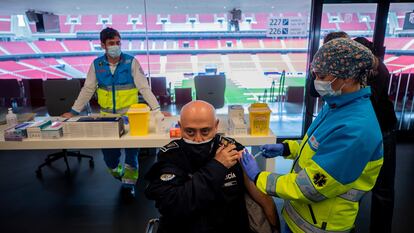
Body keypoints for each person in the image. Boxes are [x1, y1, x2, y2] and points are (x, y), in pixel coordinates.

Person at [241, 38, 384, 233]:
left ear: (348, 77)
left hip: (318, 226)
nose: (317, 81)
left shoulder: (355, 130)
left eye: (323, 76)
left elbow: (309, 188)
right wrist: (285, 148)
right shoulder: (336, 105)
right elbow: (316, 146)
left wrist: (259, 177)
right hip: (300, 216)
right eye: (315, 74)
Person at [62, 27, 167, 199]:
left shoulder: (131, 62)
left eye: (118, 43)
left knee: (132, 154)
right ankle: (118, 172)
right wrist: (74, 111)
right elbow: (88, 89)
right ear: (103, 45)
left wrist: (157, 110)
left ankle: (129, 184)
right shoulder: (97, 65)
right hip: (107, 118)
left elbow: (144, 88)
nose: (116, 46)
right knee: (110, 157)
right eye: (111, 43)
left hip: (131, 117)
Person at [145, 100, 279, 233]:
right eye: (190, 132)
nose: (198, 139)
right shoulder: (170, 155)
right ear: (180, 127)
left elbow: (262, 197)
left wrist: (275, 227)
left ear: (216, 126)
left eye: (205, 131)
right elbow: (174, 205)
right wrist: (217, 166)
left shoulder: (232, 149)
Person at [353, 37, 397, 233]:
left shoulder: (378, 70)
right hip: (366, 132)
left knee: (383, 188)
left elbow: (365, 104)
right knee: (352, 185)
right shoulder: (359, 70)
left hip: (382, 131)